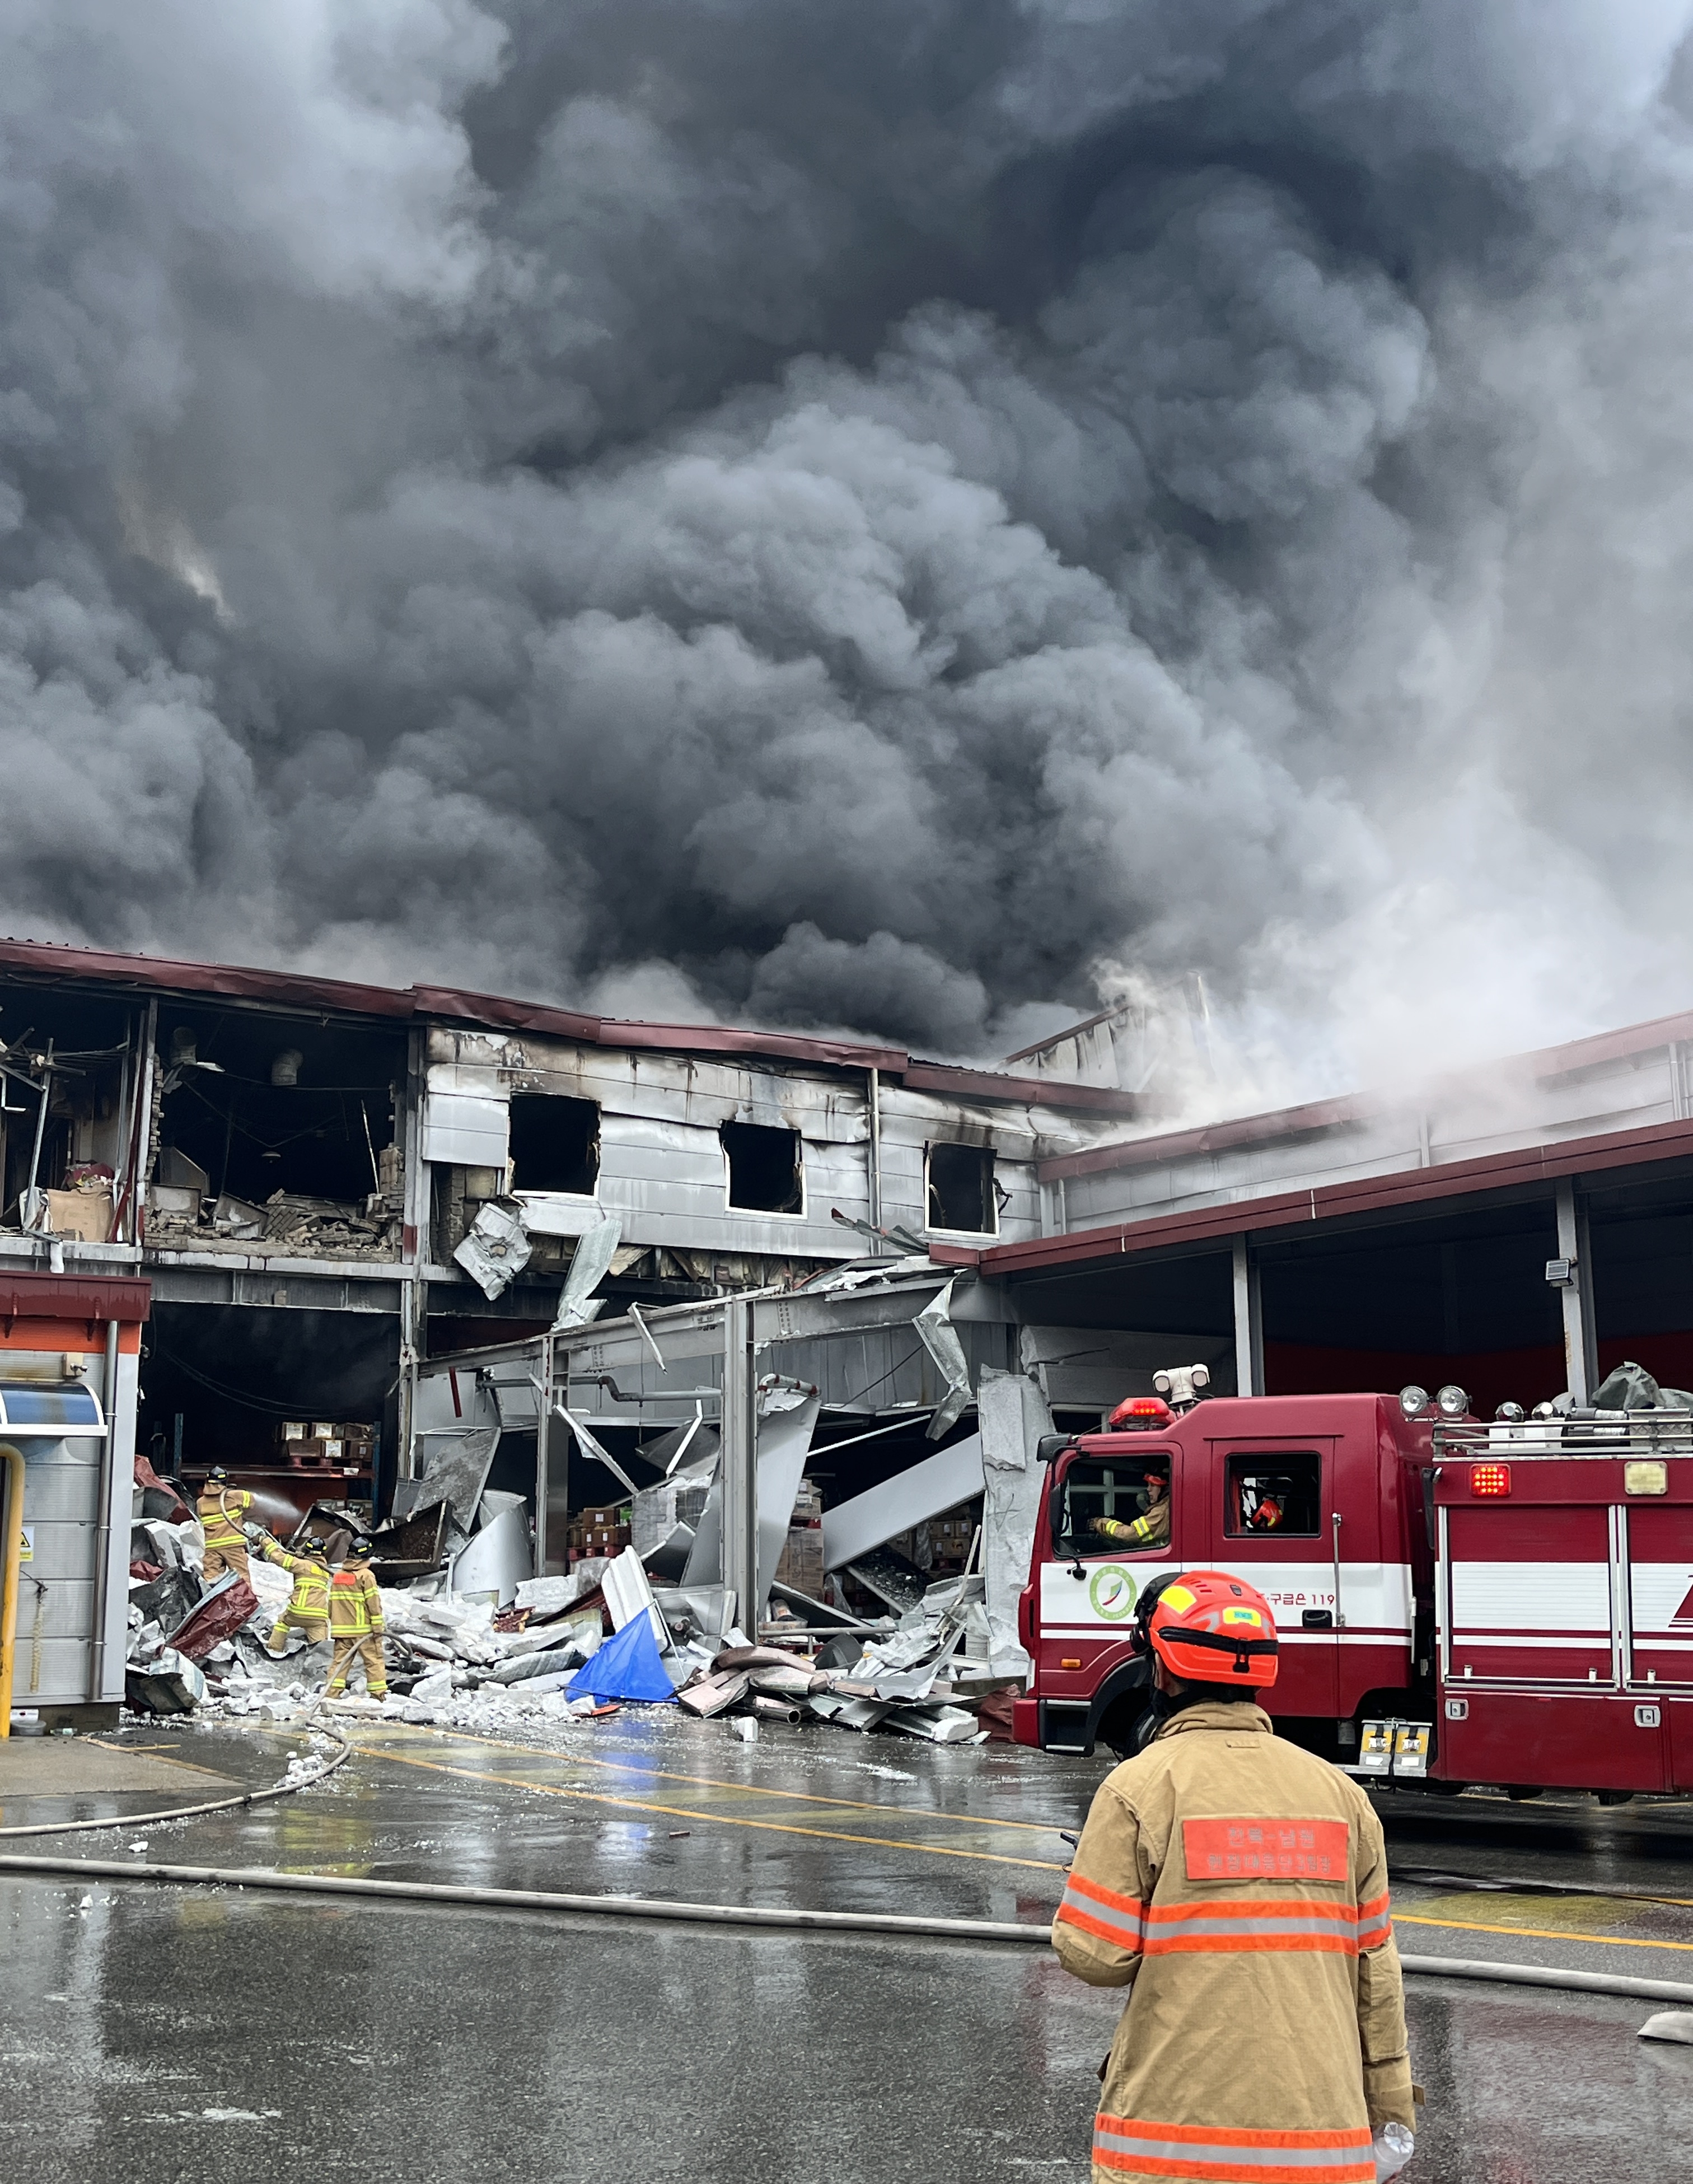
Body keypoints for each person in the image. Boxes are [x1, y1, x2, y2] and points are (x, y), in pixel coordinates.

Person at [1052, 1569, 1415, 2184]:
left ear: (1160, 1671)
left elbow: (1095, 1956)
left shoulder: (1140, 1788)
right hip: (1321, 2144)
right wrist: (1391, 2103)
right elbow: (1375, 1973)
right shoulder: (1340, 1795)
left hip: (1173, 2148)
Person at [325, 1538, 387, 1700]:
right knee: (374, 1661)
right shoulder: (366, 1576)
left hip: (342, 1630)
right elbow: (374, 1603)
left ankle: (331, 1695)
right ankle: (378, 1695)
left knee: (340, 1663)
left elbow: (332, 1603)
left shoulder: (338, 1576)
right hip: (363, 1630)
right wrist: (377, 1626)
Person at [259, 1534, 331, 1656]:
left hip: (298, 1611)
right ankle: (320, 1659)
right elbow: (311, 1565)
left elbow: (278, 1557)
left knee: (283, 1622)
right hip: (318, 1616)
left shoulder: (301, 1565)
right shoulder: (325, 1571)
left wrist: (264, 1540)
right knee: (320, 1645)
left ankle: (274, 1649)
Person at [1091, 1464, 1170, 1553]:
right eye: (1148, 1485)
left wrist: (1101, 1524)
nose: (1148, 1489)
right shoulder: (1165, 1507)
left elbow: (1130, 1534)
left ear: (1165, 1488)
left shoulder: (1161, 1512)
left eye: (1153, 1485)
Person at [197, 1467, 255, 1586]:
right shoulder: (235, 1496)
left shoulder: (200, 1502)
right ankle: (244, 1603)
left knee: (211, 1580)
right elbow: (252, 1502)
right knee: (242, 1579)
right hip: (233, 1545)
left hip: (211, 1547)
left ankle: (212, 1603)